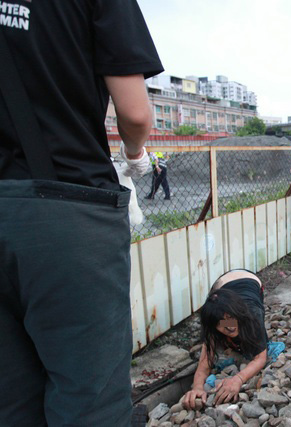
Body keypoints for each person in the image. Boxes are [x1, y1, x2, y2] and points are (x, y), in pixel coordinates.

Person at [0, 2, 162, 426]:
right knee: (89, 403)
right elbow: (135, 112)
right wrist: (134, 153)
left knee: (11, 403)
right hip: (65, 207)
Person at [183, 270, 270, 409]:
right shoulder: (215, 323)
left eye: (231, 319)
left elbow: (260, 357)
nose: (229, 327)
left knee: (251, 339)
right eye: (223, 323)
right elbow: (204, 364)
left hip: (249, 280)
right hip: (222, 284)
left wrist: (238, 379)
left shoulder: (251, 314)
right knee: (220, 320)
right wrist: (197, 388)